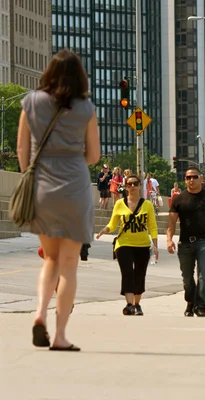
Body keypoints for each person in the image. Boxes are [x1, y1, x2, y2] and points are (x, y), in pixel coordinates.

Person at [19, 49, 100, 351]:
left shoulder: (31, 102)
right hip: (75, 188)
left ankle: (39, 313)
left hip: (42, 185)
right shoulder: (85, 107)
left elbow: (22, 151)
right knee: (69, 264)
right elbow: (93, 156)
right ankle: (61, 335)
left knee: (50, 258)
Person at [166, 168, 205, 317]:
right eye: (188, 177)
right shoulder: (178, 199)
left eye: (194, 177)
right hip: (185, 243)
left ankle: (201, 306)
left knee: (203, 275)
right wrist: (169, 240)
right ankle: (190, 302)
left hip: (204, 242)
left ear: (201, 179)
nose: (191, 180)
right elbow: (172, 223)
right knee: (187, 277)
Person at [96, 174, 158, 316]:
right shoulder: (119, 204)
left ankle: (137, 304)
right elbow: (113, 224)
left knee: (140, 274)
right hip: (124, 244)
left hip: (142, 245)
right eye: (129, 184)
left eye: (135, 183)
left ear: (139, 185)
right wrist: (105, 230)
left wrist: (154, 245)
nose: (132, 186)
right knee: (128, 273)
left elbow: (152, 227)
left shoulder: (147, 205)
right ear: (125, 186)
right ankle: (129, 305)